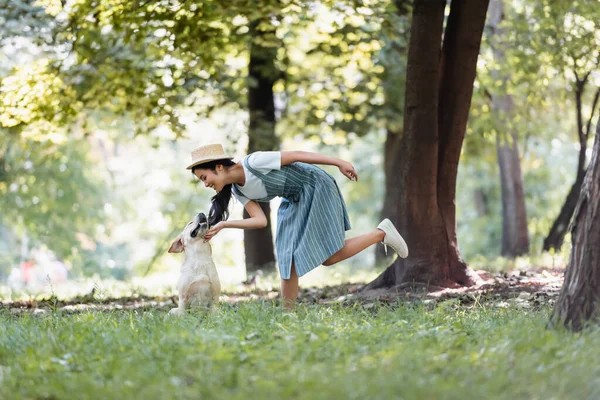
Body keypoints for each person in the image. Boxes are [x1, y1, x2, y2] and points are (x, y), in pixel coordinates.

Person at [187, 143, 408, 309]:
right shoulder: (238, 189)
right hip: (292, 199)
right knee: (287, 257)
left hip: (314, 185)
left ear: (218, 167)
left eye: (204, 177)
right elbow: (260, 221)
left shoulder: (254, 162)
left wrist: (338, 162)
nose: (205, 184)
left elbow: (298, 156)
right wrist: (225, 224)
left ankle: (382, 233)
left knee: (329, 257)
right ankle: (288, 316)